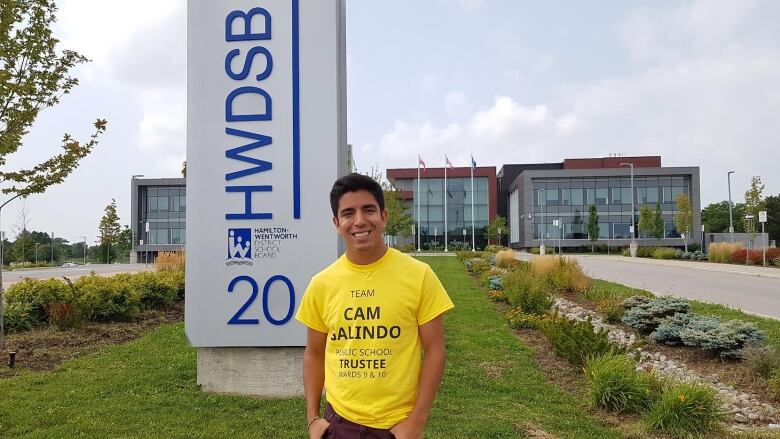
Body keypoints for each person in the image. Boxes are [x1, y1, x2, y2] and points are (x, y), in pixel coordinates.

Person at [296, 173, 454, 439]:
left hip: (396, 426)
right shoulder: (321, 284)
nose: (359, 221)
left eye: (368, 209)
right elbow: (314, 354)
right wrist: (313, 418)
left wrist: (416, 421)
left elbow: (435, 350)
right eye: (348, 213)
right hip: (339, 423)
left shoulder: (419, 276)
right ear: (337, 223)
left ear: (384, 216)